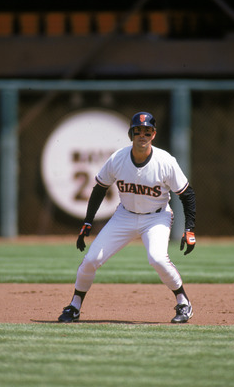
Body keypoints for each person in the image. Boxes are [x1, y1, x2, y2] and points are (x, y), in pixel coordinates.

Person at [58, 111, 196, 324]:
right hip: (125, 215)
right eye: (138, 131)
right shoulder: (118, 158)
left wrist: (189, 228)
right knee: (91, 259)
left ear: (154, 134)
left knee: (157, 258)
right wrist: (87, 221)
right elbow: (99, 189)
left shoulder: (165, 161)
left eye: (147, 131)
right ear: (130, 134)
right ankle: (74, 306)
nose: (143, 135)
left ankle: (184, 302)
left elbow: (187, 195)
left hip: (156, 218)